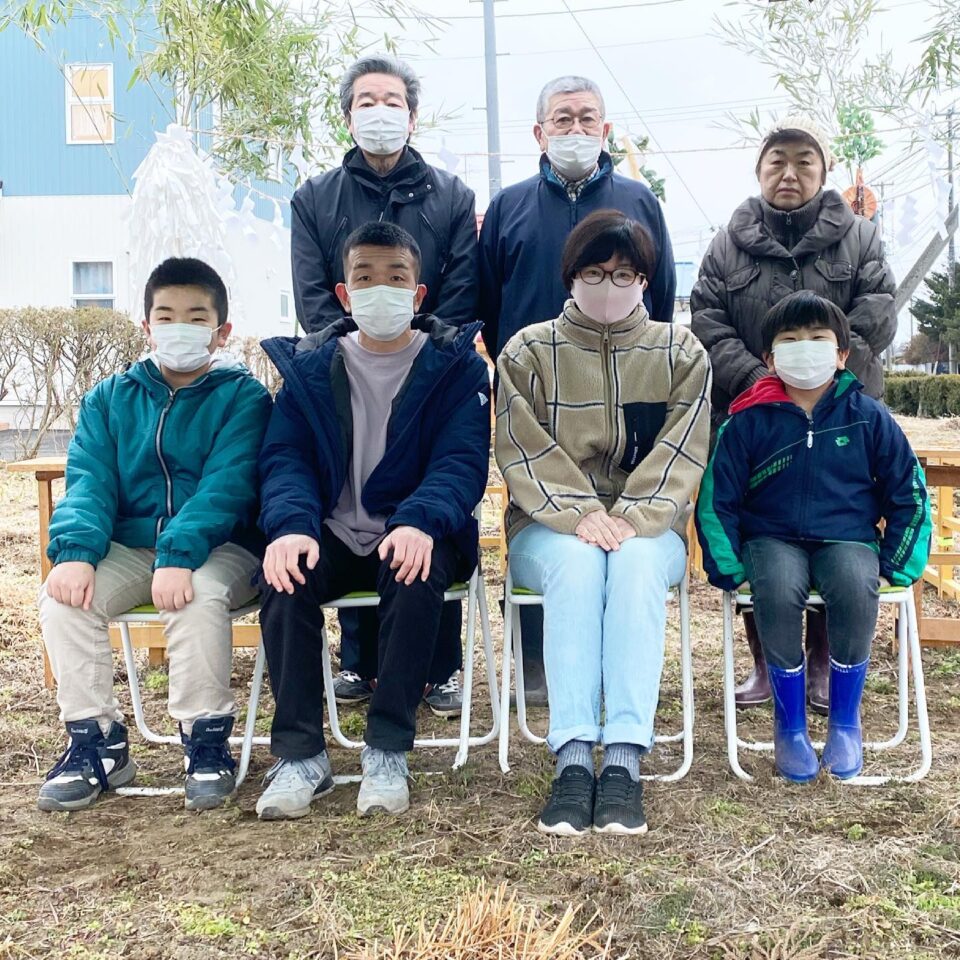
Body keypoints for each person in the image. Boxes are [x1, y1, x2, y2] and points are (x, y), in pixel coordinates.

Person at [255, 221, 490, 821]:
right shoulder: (309, 369)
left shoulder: (453, 367)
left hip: (416, 529)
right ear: (343, 294)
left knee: (415, 573)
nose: (379, 289)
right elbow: (285, 459)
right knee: (283, 579)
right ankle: (302, 755)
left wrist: (418, 519)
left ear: (418, 294)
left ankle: (388, 748)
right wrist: (291, 526)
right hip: (329, 530)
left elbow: (461, 463)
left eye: (396, 278)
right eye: (365, 278)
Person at [495, 210, 709, 836]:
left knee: (637, 562)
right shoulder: (528, 351)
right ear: (571, 276)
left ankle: (622, 758)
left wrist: (633, 516)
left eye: (623, 274)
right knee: (580, 563)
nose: (609, 285)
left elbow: (684, 447)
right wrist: (581, 514)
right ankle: (571, 760)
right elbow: (520, 447)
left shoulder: (680, 351)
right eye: (594, 272)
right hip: (548, 527)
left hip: (652, 525)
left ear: (645, 280)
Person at [37, 258, 272, 812]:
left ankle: (206, 738)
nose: (179, 327)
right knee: (64, 597)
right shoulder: (110, 398)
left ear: (222, 331)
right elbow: (89, 480)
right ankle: (96, 743)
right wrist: (75, 552)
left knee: (196, 595)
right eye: (165, 315)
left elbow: (227, 486)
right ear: (146, 325)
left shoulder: (244, 398)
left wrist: (180, 554)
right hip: (133, 544)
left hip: (222, 547)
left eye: (196, 316)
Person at [690, 114, 897, 714]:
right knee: (760, 530)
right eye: (776, 160)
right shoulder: (727, 243)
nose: (789, 172)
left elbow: (879, 312)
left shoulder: (858, 237)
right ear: (759, 170)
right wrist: (763, 377)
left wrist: (826, 371)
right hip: (755, 416)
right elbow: (707, 320)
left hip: (841, 414)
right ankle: (766, 663)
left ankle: (826, 668)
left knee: (841, 524)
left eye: (803, 160)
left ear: (823, 170)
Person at [480, 75, 677, 704]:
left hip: (622, 393)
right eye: (561, 119)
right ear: (538, 132)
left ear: (606, 130)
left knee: (617, 531)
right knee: (545, 519)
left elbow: (662, 292)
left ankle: (608, 665)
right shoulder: (509, 206)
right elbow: (488, 300)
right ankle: (539, 661)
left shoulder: (638, 200)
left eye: (587, 118)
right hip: (534, 398)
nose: (574, 130)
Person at [290, 54, 477, 714]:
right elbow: (313, 295)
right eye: (366, 100)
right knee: (350, 497)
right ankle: (360, 659)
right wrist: (359, 344)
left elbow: (458, 290)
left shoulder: (452, 196)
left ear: (412, 114)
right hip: (345, 367)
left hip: (428, 371)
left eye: (392, 100)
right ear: (347, 116)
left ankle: (441, 664)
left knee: (426, 508)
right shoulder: (314, 198)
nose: (380, 111)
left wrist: (415, 350)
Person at [696, 291, 930, 782]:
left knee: (852, 580)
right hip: (769, 540)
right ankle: (790, 724)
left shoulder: (868, 417)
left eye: (818, 338)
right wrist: (728, 565)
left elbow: (908, 492)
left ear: (841, 353)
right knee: (777, 586)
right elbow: (717, 498)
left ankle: (845, 721)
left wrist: (898, 562)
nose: (805, 347)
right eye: (790, 339)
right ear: (770, 357)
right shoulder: (747, 419)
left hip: (847, 537)